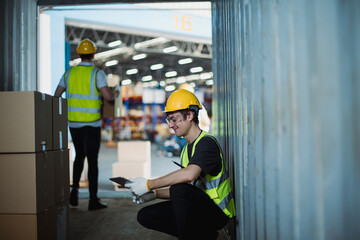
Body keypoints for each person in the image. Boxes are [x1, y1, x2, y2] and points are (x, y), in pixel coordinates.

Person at [125, 89, 236, 239]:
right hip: (201, 207)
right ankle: (204, 235)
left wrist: (149, 184)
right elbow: (187, 193)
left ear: (190, 115)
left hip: (218, 212)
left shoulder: (206, 143)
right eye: (168, 120)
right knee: (145, 215)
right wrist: (154, 194)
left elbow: (189, 176)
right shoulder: (186, 149)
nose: (171, 125)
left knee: (179, 187)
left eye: (175, 119)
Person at [54, 38, 115, 210]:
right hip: (92, 124)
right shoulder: (97, 74)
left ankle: (73, 193)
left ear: (79, 54)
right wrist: (112, 92)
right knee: (92, 160)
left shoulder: (68, 74)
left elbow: (56, 95)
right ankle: (93, 200)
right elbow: (109, 97)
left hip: (73, 123)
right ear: (93, 54)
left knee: (79, 156)